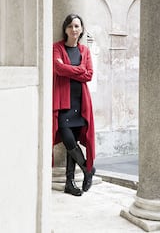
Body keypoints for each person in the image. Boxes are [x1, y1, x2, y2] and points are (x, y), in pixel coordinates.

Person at [53, 13, 96, 196]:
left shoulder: (84, 50)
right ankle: (88, 169)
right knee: (68, 139)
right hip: (63, 103)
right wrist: (79, 70)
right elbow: (57, 68)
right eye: (70, 26)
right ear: (65, 29)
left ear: (81, 29)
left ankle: (70, 183)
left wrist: (69, 70)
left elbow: (89, 75)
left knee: (75, 141)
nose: (74, 29)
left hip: (80, 101)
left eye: (77, 26)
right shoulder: (57, 48)